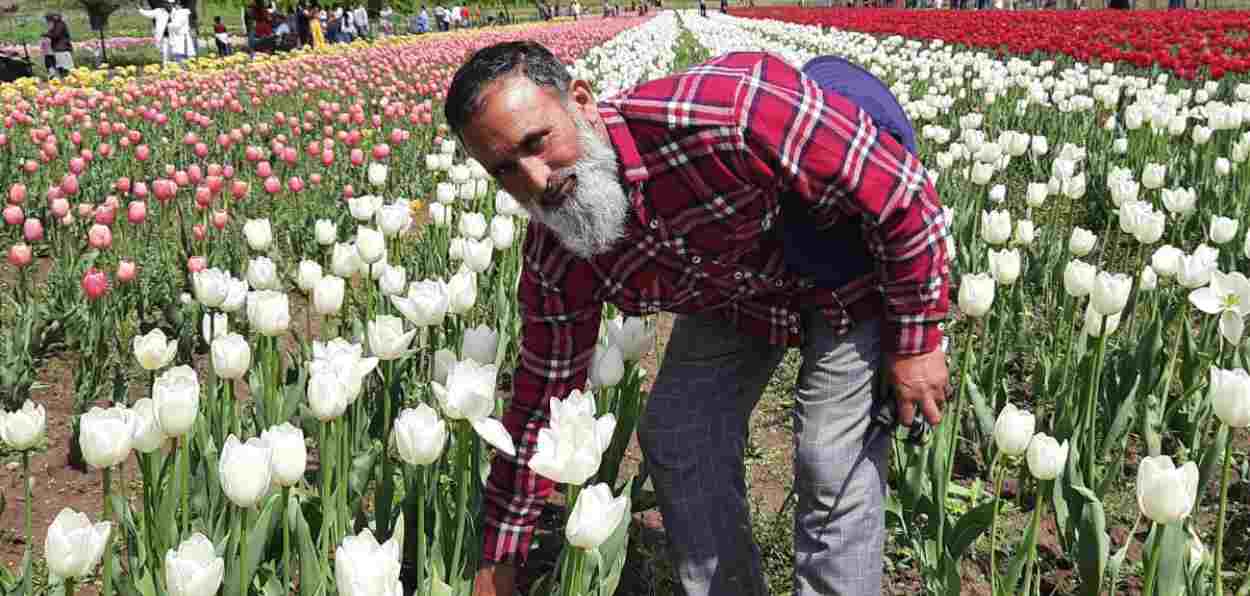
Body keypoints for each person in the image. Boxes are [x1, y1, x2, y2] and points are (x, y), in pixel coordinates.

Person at [445, 42, 951, 596]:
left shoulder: (730, 112)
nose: (537, 180)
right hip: (741, 295)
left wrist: (916, 340)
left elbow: (900, 194)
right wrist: (500, 558)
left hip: (846, 268)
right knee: (678, 432)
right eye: (505, 170)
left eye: (537, 142)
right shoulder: (559, 256)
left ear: (582, 101)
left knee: (831, 459)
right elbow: (541, 399)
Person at [42, 13, 73, 77]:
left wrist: (46, 34)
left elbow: (56, 35)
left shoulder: (59, 24)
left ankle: (66, 80)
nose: (48, 21)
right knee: (61, 67)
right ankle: (64, 79)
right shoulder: (57, 25)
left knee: (64, 67)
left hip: (62, 49)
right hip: (59, 49)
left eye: (48, 20)